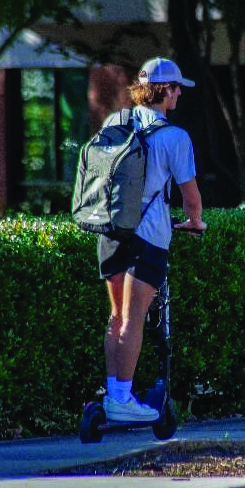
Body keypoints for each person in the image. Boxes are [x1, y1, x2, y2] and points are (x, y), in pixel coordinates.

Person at [98, 56, 206, 422]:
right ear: (165, 91)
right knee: (134, 318)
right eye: (176, 88)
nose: (179, 94)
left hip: (110, 232)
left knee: (116, 317)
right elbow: (190, 196)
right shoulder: (174, 137)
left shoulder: (115, 123)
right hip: (148, 236)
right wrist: (195, 221)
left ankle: (114, 392)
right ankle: (121, 399)